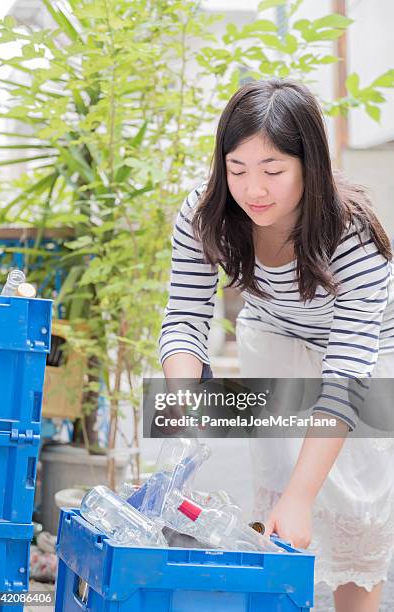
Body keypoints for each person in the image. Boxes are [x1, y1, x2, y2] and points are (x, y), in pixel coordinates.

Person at [159, 78, 394, 612]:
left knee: (354, 500)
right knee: (279, 488)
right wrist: (181, 401)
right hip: (277, 332)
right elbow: (186, 313)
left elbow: (347, 371)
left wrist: (303, 496)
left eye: (273, 171)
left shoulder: (352, 234)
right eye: (237, 169)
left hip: (370, 350)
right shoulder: (205, 214)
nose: (253, 190)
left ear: (310, 166)